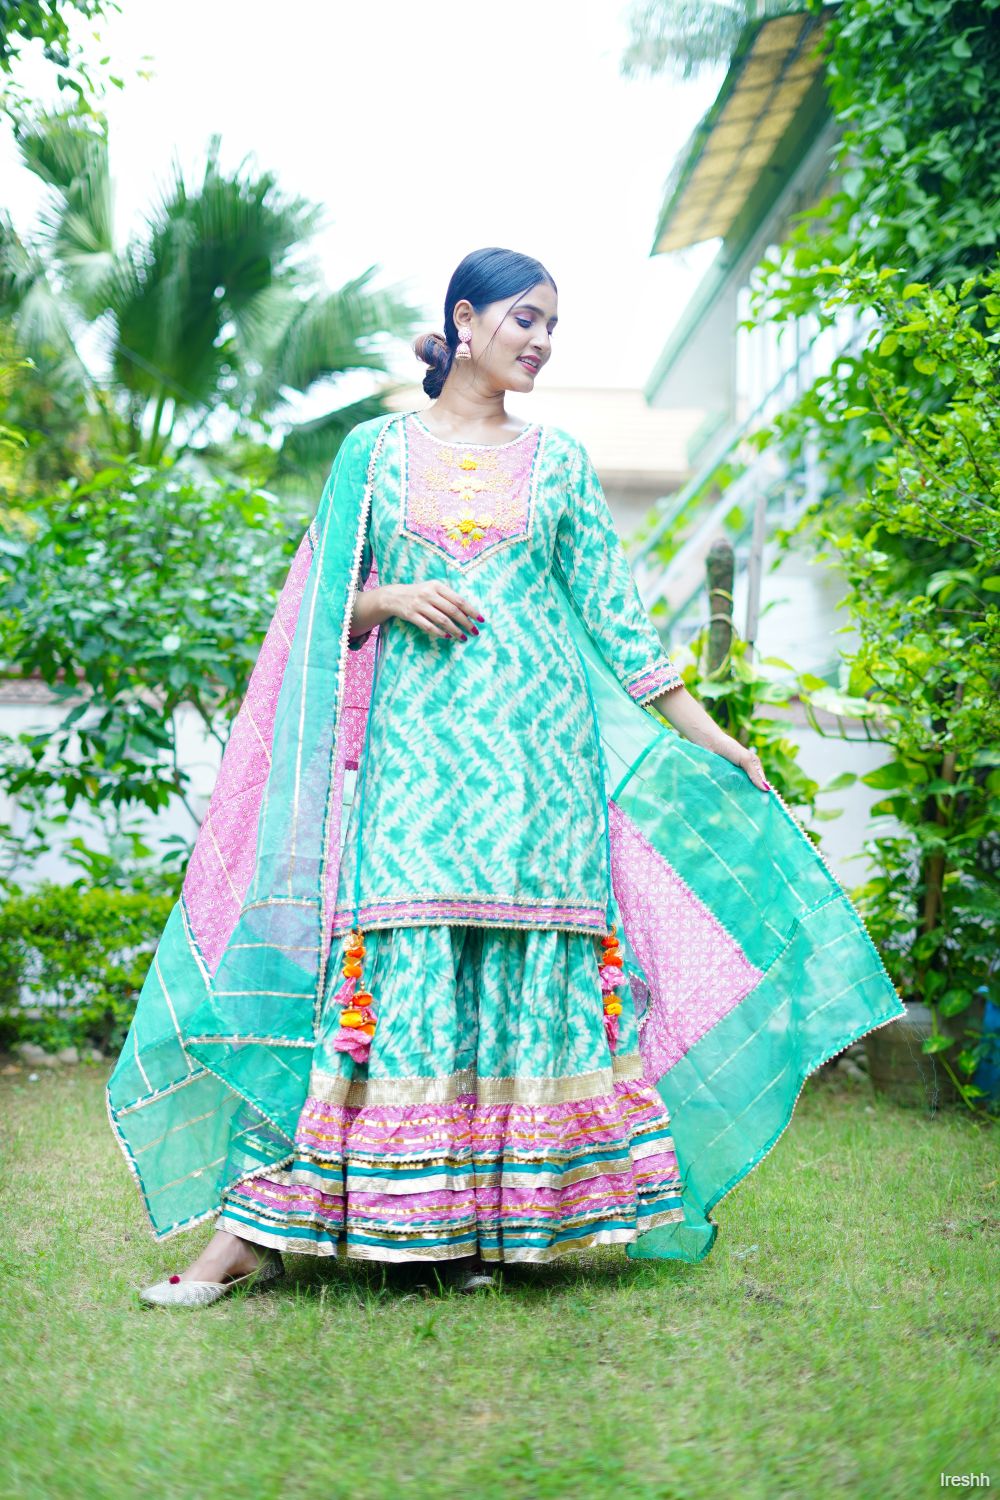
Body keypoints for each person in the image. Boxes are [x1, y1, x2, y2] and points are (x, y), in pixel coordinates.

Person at [108, 247, 903, 1306]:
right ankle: (259, 1234)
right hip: (414, 768)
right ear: (464, 319)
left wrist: (714, 737)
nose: (540, 341)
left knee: (518, 978)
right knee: (395, 974)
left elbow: (619, 624)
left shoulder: (560, 462)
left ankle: (482, 1229)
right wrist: (390, 600)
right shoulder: (373, 455)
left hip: (543, 774)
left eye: (552, 326)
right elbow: (315, 608)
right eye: (525, 318)